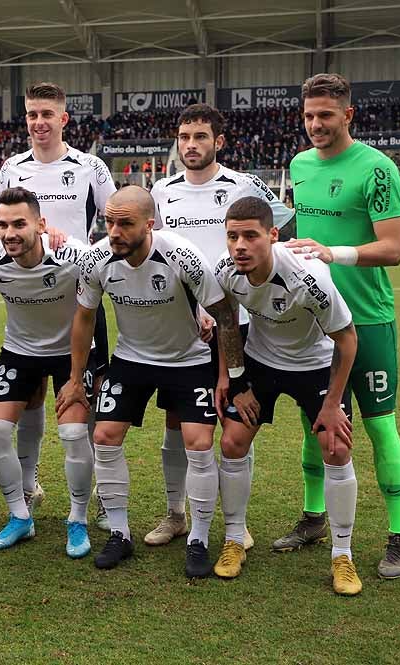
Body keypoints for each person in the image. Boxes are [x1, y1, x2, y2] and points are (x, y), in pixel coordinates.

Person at [56, 185, 245, 571]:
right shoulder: (96, 260)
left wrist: (229, 377)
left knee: (198, 443)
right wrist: (76, 379)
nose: (114, 232)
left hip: (188, 359)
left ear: (149, 224)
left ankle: (198, 539)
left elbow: (224, 315)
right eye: (109, 222)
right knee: (104, 436)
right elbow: (84, 317)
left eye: (125, 224)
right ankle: (120, 534)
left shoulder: (180, 255)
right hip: (132, 357)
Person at [145, 102, 294, 550]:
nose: (191, 145)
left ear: (219, 142)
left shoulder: (243, 186)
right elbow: (160, 256)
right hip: (183, 326)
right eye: (184, 137)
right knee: (177, 422)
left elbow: (271, 240)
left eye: (200, 137)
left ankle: (236, 523)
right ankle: (175, 513)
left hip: (238, 323)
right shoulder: (161, 191)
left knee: (234, 425)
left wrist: (226, 303)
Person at [284, 72, 400, 579]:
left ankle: (399, 534)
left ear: (348, 115)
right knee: (314, 423)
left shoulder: (377, 169)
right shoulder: (298, 165)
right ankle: (314, 516)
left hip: (369, 318)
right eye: (309, 115)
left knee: (380, 426)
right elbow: (306, 232)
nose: (315, 124)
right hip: (316, 320)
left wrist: (330, 252)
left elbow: (394, 249)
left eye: (325, 116)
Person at [213, 196, 361, 595]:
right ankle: (233, 539)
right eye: (232, 236)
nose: (240, 246)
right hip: (260, 362)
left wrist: (332, 405)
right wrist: (233, 378)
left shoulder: (308, 277)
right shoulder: (226, 272)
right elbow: (227, 321)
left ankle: (342, 556)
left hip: (314, 364)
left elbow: (347, 341)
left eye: (250, 236)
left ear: (273, 235)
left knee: (336, 447)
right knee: (231, 441)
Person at [0, 81, 117, 527]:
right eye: (31, 114)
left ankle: (101, 496)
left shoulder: (90, 167)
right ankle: (28, 487)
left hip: (80, 300)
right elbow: (2, 225)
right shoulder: (12, 168)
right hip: (30, 300)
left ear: (64, 119)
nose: (38, 122)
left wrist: (82, 247)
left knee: (87, 399)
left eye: (47, 114)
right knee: (30, 396)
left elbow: (116, 225)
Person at [0, 187, 94, 558]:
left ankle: (78, 519)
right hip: (19, 351)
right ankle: (20, 515)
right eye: (3, 225)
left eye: (20, 224)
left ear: (41, 224)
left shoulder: (73, 257)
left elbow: (113, 277)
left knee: (73, 434)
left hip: (69, 353)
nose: (9, 233)